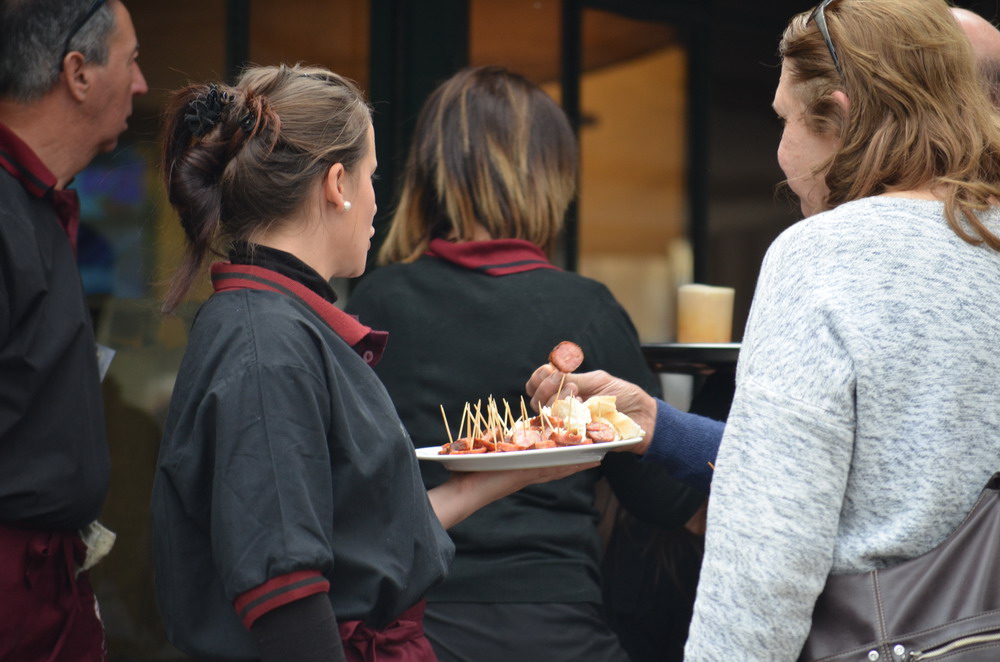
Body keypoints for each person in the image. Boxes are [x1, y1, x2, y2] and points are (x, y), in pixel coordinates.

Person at [530, 0, 1000, 658]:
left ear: (838, 115)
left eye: (784, 119)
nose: (780, 151)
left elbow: (769, 547)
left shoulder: (821, 258)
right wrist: (657, 424)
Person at [151, 63, 595, 662]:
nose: (376, 201)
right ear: (337, 184)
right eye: (372, 176)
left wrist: (511, 473)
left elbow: (354, 543)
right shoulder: (267, 346)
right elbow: (285, 595)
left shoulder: (275, 326)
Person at [344, 65, 705, 662]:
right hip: (556, 627)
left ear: (430, 173)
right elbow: (664, 499)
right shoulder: (585, 308)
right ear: (549, 176)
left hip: (413, 626)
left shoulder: (378, 302)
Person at [0, 0, 147, 660]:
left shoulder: (39, 204)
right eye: (132, 61)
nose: (141, 84)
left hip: (50, 586)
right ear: (78, 72)